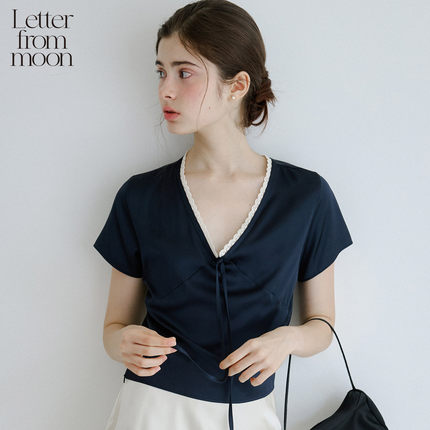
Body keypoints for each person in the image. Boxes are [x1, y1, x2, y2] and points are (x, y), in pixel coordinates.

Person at [93, 1, 353, 429]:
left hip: (251, 415)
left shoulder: (305, 197)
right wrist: (122, 340)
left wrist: (287, 339)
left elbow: (322, 325)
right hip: (151, 410)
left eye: (184, 72)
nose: (165, 90)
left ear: (238, 86)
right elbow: (113, 327)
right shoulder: (139, 197)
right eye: (161, 72)